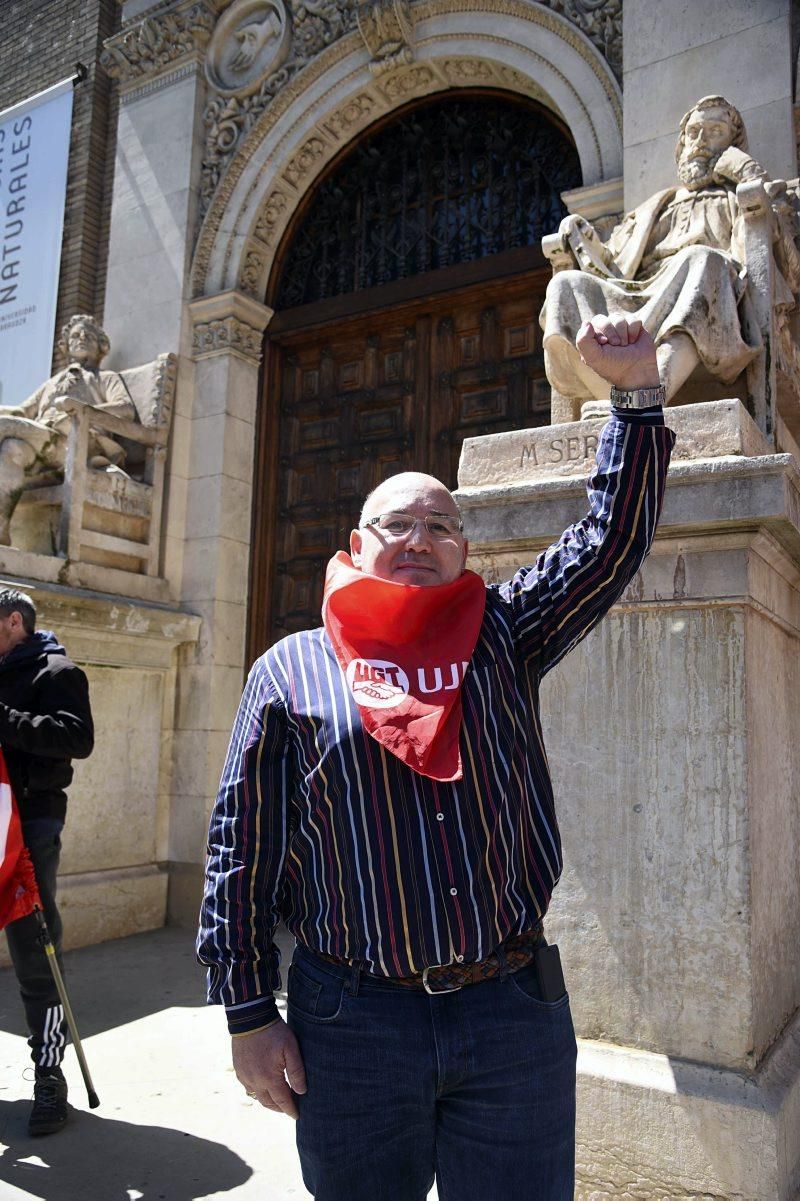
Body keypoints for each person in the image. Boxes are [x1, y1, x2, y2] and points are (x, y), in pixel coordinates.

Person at [198, 317, 675, 1200]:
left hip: (510, 1017)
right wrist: (248, 1011)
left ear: (465, 551)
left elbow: (609, 544)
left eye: (440, 525)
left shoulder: (502, 632)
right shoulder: (290, 670)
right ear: (356, 546)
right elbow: (242, 854)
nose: (418, 538)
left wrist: (637, 397)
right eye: (398, 524)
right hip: (354, 1022)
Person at [541, 95, 800, 404]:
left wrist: (747, 173)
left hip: (708, 284)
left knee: (702, 259)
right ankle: (619, 399)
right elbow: (614, 265)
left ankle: (650, 395)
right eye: (694, 132)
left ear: (733, 144)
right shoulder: (657, 206)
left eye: (715, 131)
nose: (701, 141)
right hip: (644, 290)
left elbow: (790, 266)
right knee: (565, 285)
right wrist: (586, 241)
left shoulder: (737, 199)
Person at [0, 588, 94, 1135]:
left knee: (35, 950)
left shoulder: (57, 672)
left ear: (14, 622)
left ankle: (49, 1075)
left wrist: (4, 719)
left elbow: (77, 740)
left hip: (30, 827)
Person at [0, 314, 136, 544]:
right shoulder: (52, 383)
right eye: (75, 335)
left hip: (80, 443)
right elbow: (23, 412)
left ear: (101, 347)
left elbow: (126, 409)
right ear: (66, 346)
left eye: (89, 336)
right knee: (12, 449)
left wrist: (78, 410)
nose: (81, 338)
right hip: (45, 444)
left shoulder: (104, 378)